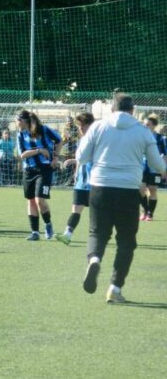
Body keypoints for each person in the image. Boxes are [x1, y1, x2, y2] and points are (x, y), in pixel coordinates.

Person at [78, 93, 166, 303]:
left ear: (112, 109)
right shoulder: (143, 131)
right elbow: (157, 164)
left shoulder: (98, 127)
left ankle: (94, 259)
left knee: (97, 233)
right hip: (128, 190)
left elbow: (81, 157)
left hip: (100, 187)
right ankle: (115, 288)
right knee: (126, 241)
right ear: (133, 110)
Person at [16, 110, 61, 241]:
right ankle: (35, 232)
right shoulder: (20, 134)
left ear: (23, 121)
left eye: (17, 120)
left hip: (44, 169)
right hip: (29, 170)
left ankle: (48, 224)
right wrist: (39, 150)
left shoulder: (44, 129)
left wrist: (55, 157)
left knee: (39, 200)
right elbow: (22, 155)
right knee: (31, 200)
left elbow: (59, 141)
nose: (16, 122)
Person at [56, 112, 95, 245]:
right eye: (79, 125)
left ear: (91, 125)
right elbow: (82, 158)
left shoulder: (97, 139)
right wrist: (76, 170)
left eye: (83, 125)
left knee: (98, 213)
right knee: (76, 209)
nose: (80, 128)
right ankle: (67, 234)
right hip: (81, 183)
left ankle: (100, 237)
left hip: (95, 183)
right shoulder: (82, 139)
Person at [139, 114, 166, 221]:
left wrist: (164, 170)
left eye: (147, 124)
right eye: (144, 124)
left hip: (155, 169)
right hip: (142, 167)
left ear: (154, 126)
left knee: (152, 189)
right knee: (141, 189)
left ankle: (150, 214)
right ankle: (145, 210)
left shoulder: (160, 138)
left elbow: (164, 155)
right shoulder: (140, 137)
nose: (145, 126)